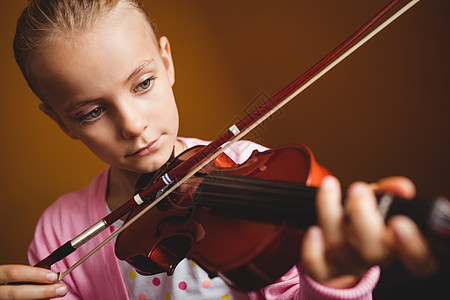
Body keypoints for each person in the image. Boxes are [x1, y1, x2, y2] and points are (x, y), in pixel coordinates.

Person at [0, 0, 438, 299]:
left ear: (167, 63)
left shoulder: (254, 169)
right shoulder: (60, 233)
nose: (133, 126)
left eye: (144, 83)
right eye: (92, 112)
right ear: (60, 121)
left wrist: (335, 279)